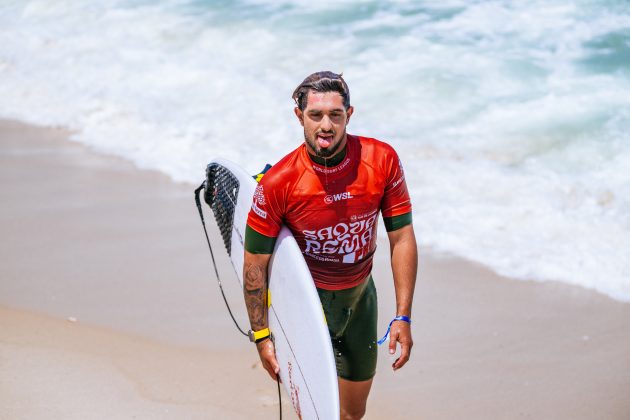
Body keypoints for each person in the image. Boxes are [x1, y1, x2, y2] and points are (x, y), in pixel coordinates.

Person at [243, 71, 418, 420]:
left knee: (353, 414)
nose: (326, 125)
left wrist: (403, 315)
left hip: (360, 304)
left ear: (348, 115)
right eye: (315, 115)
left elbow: (401, 237)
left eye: (335, 115)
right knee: (314, 412)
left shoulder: (381, 160)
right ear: (299, 116)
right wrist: (262, 335)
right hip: (306, 308)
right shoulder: (279, 182)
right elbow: (254, 266)